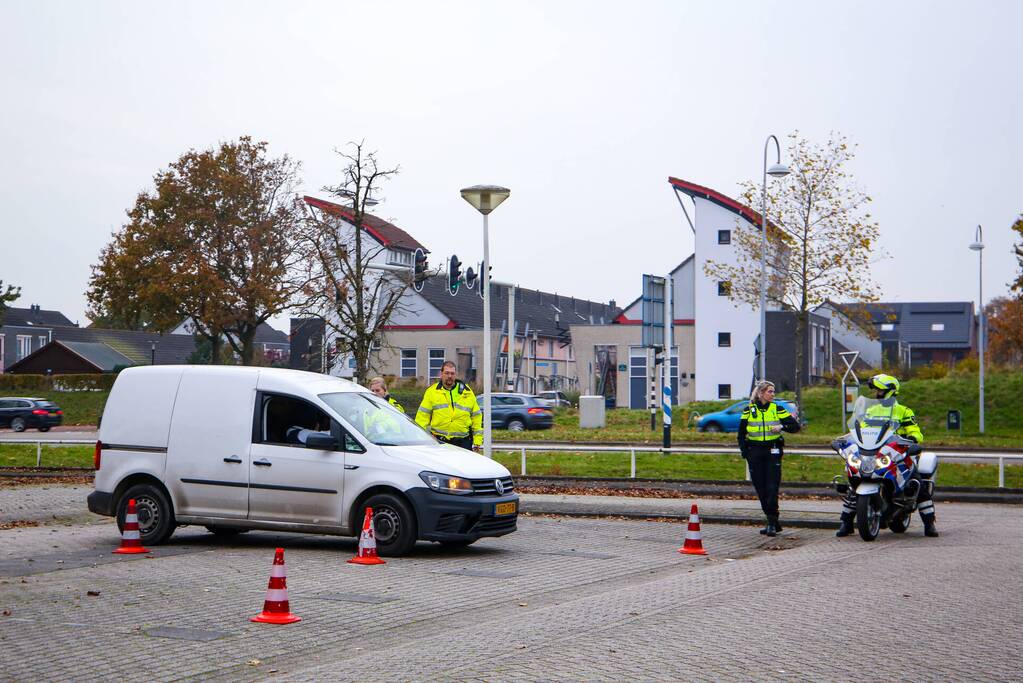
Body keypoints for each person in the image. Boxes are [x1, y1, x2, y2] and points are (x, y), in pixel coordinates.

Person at [836, 373, 936, 537]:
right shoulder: (871, 410)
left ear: (890, 391)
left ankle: (929, 524)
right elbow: (859, 429)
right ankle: (846, 523)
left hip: (899, 452)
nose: (877, 394)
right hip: (874, 452)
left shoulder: (903, 411)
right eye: (876, 391)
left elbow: (916, 432)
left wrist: (912, 439)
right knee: (854, 486)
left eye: (880, 391)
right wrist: (848, 440)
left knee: (918, 485)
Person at [738, 380, 801, 537]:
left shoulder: (777, 409)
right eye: (769, 391)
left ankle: (772, 522)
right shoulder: (749, 410)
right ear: (761, 393)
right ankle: (772, 520)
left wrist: (782, 427)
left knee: (772, 488)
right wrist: (745, 452)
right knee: (761, 489)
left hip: (773, 452)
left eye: (773, 391)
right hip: (755, 453)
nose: (773, 394)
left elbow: (795, 427)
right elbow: (740, 434)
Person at [415, 360, 483, 451]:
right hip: (439, 442)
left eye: (452, 373)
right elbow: (422, 417)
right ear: (441, 374)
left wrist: (478, 440)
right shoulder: (432, 392)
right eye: (447, 373)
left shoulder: (467, 392)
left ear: (455, 375)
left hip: (463, 443)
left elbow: (476, 417)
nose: (449, 376)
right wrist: (421, 438)